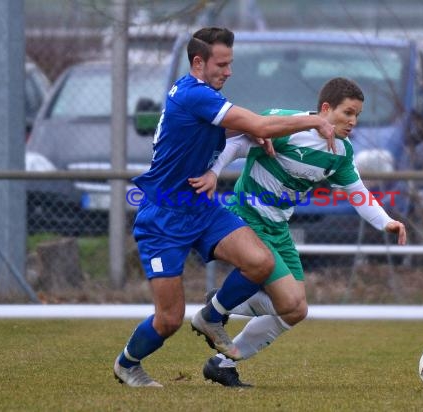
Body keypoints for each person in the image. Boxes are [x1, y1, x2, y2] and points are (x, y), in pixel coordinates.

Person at [113, 27, 335, 387]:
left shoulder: (202, 98)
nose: (228, 71)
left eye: (230, 64)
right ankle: (127, 364)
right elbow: (259, 122)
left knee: (260, 261)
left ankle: (212, 316)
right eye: (222, 64)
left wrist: (246, 136)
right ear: (198, 63)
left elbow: (223, 131)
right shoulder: (194, 95)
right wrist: (314, 119)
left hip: (201, 208)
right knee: (168, 319)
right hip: (163, 217)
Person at [188, 77, 407, 387]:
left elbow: (357, 192)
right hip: (247, 216)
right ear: (326, 109)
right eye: (347, 113)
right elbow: (237, 144)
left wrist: (386, 221)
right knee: (288, 300)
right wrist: (214, 172)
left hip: (278, 226)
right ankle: (222, 306)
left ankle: (222, 356)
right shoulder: (290, 126)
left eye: (357, 115)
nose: (353, 121)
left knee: (295, 310)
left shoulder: (341, 152)